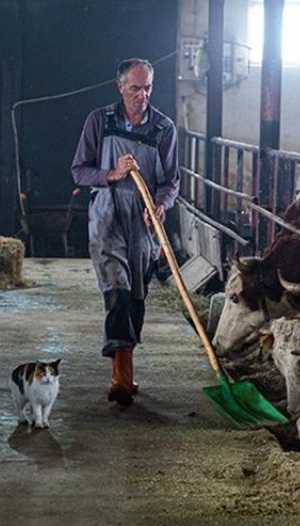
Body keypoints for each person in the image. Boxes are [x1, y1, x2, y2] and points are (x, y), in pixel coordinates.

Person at [70, 58, 178, 406]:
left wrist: (160, 206)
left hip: (142, 222)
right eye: (134, 88)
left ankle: (126, 371)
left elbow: (171, 182)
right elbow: (79, 172)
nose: (141, 95)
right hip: (107, 215)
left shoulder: (163, 129)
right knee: (116, 288)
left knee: (136, 296)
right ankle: (121, 379)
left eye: (147, 88)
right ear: (120, 87)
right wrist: (111, 174)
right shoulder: (100, 122)